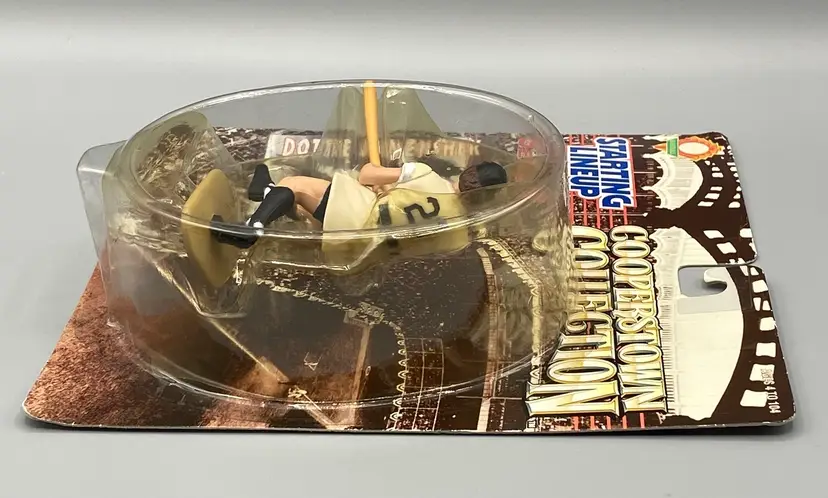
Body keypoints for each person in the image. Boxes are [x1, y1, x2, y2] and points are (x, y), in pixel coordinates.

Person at [210, 156, 508, 249]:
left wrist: (384, 177)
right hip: (365, 249)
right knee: (300, 206)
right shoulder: (458, 235)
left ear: (470, 172)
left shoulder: (424, 174)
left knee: (294, 184)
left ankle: (252, 228)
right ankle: (265, 191)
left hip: (358, 215)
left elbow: (366, 174)